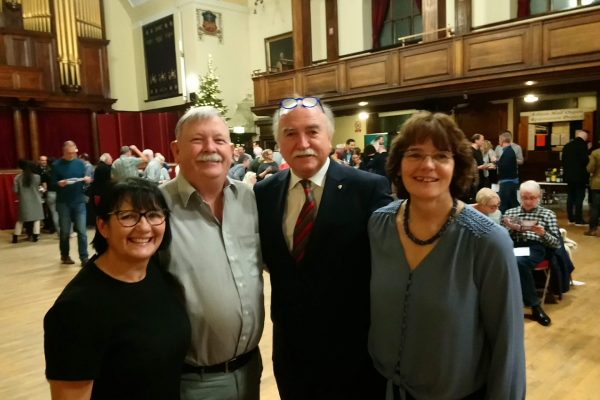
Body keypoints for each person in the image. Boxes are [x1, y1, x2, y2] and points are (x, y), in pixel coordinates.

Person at [368, 111, 525, 399]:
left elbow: (508, 345)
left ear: (458, 166)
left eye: (441, 155)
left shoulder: (487, 241)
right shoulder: (379, 224)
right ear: (398, 163)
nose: (427, 165)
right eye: (414, 154)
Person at [254, 96, 392, 400]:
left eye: (313, 131)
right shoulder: (264, 193)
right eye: (290, 133)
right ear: (278, 142)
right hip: (292, 353)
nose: (302, 142)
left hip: (354, 355)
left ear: (329, 137)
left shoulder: (368, 188)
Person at [44, 178, 190, 400]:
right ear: (103, 226)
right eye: (128, 216)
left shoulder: (157, 273)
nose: (143, 227)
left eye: (153, 215)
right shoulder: (77, 309)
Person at [160, 106, 264, 400]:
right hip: (192, 382)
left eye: (219, 140)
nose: (210, 149)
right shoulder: (156, 207)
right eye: (198, 140)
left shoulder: (250, 199)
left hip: (250, 370)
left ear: (231, 150)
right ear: (176, 150)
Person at [503, 180, 561, 327]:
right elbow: (501, 238)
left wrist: (543, 234)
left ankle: (534, 305)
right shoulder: (511, 212)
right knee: (501, 261)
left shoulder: (547, 214)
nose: (528, 201)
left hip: (536, 247)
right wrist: (509, 228)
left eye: (532, 198)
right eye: (524, 197)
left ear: (539, 197)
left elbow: (556, 243)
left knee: (518, 262)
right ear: (519, 196)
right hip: (514, 244)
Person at [52, 141, 92, 265]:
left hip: (79, 201)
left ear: (76, 151)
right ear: (63, 151)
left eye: (73, 153)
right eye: (68, 153)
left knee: (82, 231)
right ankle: (65, 256)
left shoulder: (80, 164)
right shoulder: (56, 165)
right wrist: (58, 183)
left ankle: (84, 257)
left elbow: (85, 181)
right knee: (65, 232)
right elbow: (51, 184)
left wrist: (87, 180)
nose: (71, 155)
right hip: (63, 202)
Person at [12, 160, 44, 243]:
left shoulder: (17, 177)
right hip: (36, 200)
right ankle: (35, 236)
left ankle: (15, 236)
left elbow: (15, 190)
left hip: (24, 200)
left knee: (21, 219)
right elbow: (39, 188)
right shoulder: (37, 177)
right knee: (37, 218)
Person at [562, 129, 589, 225]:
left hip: (568, 176)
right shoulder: (583, 146)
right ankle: (578, 219)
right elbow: (585, 161)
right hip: (580, 176)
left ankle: (571, 218)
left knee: (570, 197)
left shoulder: (567, 146)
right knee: (579, 197)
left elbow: (563, 161)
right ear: (585, 137)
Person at [497, 131, 520, 213]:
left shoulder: (508, 151)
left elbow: (504, 166)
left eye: (499, 139)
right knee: (512, 203)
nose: (498, 141)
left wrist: (495, 162)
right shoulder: (509, 150)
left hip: (507, 181)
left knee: (503, 205)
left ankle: (501, 223)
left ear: (502, 140)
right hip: (510, 181)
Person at [585, 140, 600, 236]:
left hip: (597, 184)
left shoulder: (595, 153)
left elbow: (590, 169)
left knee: (595, 207)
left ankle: (593, 230)